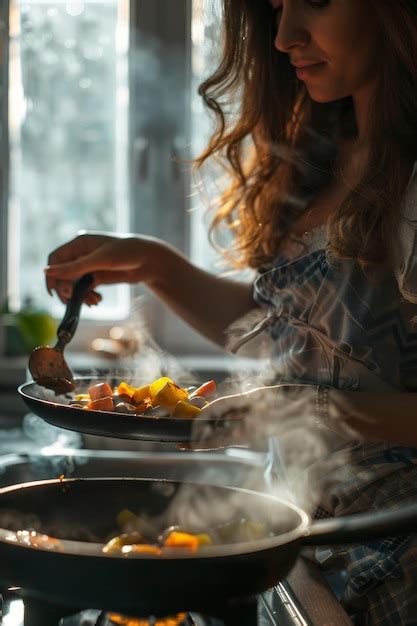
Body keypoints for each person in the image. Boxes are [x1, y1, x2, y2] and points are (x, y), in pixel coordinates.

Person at [44, 0, 417, 623]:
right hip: (310, 542)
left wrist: (298, 407)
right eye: (276, 7)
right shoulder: (330, 155)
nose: (284, 37)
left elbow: (318, 382)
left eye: (315, 2)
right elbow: (289, 334)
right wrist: (154, 265)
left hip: (397, 553)